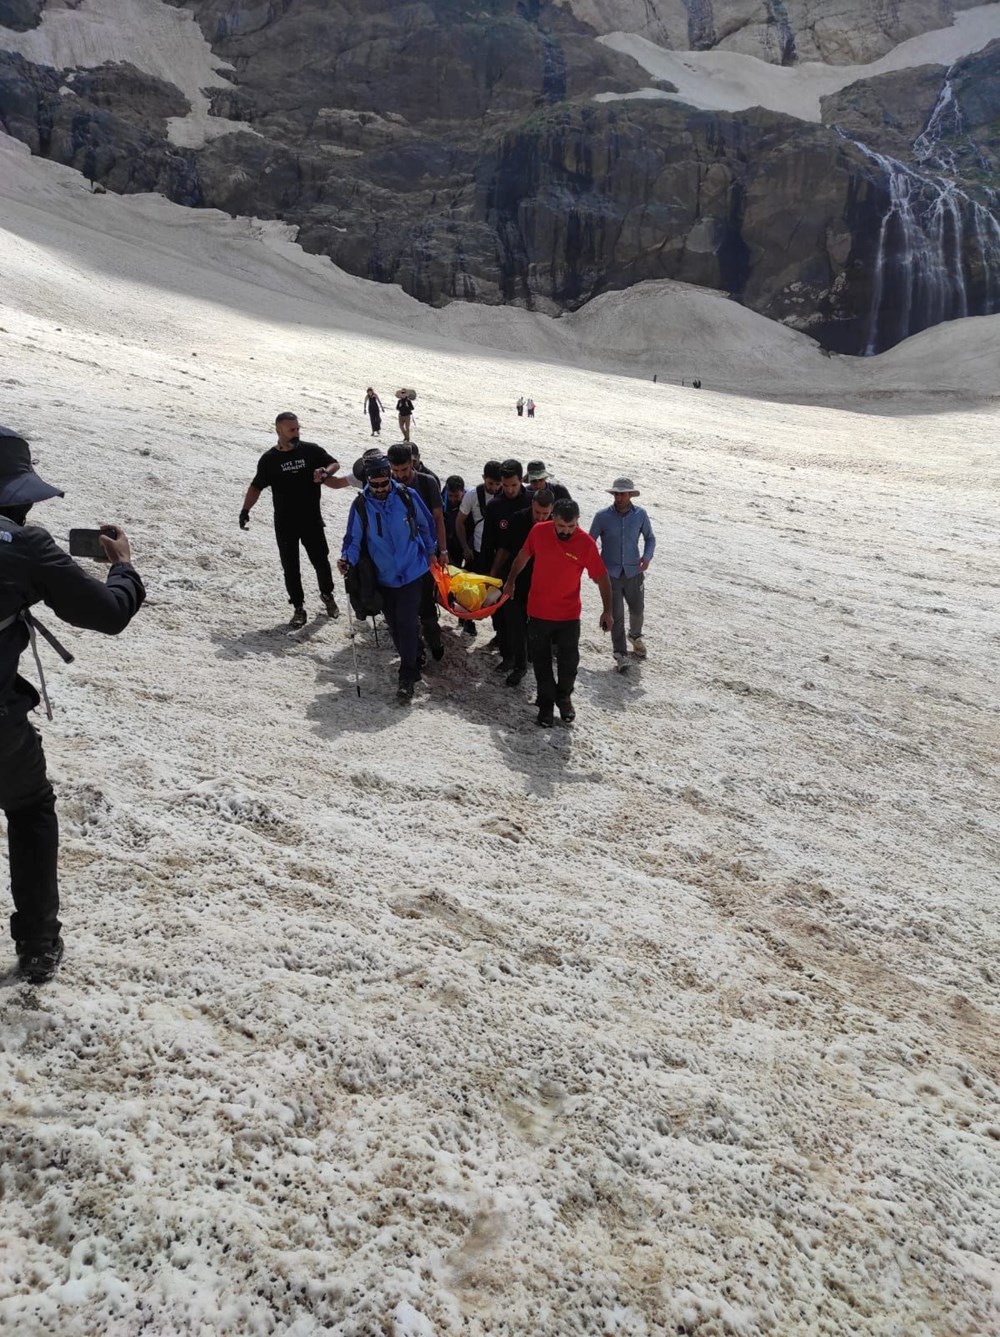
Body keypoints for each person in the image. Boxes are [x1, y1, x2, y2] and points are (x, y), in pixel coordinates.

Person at [0, 426, 145, 983]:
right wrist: (123, 565)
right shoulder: (25, 548)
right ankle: (38, 945)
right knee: (29, 806)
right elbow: (108, 613)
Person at [503, 499, 612, 728]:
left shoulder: (586, 543)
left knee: (569, 663)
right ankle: (545, 705)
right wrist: (510, 582)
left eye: (571, 527)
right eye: (561, 526)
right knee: (541, 663)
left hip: (568, 615)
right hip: (539, 611)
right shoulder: (539, 532)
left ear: (577, 522)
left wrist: (607, 610)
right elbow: (523, 556)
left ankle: (564, 697)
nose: (566, 531)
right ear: (553, 519)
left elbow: (602, 578)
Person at [338, 456, 438, 701]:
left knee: (405, 621)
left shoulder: (407, 497)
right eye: (376, 485)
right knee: (394, 626)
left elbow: (426, 525)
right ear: (368, 482)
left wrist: (432, 552)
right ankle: (413, 656)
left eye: (385, 483)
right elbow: (352, 537)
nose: (381, 489)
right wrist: (346, 560)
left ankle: (406, 677)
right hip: (383, 576)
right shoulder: (361, 505)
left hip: (412, 571)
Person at [239, 412, 350, 628]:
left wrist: (325, 472)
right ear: (278, 430)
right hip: (285, 523)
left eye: (298, 429)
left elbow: (334, 463)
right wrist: (245, 510)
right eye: (292, 430)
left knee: (321, 561)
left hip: (312, 520)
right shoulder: (269, 460)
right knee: (291, 567)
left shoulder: (310, 450)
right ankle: (298, 608)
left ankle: (327, 595)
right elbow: (256, 486)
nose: (296, 433)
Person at [589, 476, 656, 672]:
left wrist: (647, 556)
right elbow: (589, 542)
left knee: (637, 610)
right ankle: (620, 654)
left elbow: (650, 538)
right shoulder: (602, 516)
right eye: (616, 494)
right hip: (610, 575)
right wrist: (595, 567)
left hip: (634, 572)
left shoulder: (641, 515)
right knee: (616, 615)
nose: (619, 497)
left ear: (630, 495)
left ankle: (635, 636)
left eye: (623, 494)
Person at [387, 442, 446, 660]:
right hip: (400, 555)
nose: (400, 475)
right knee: (405, 607)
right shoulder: (387, 484)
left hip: (426, 553)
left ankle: (434, 638)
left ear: (412, 463)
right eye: (396, 471)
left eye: (404, 470)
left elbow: (438, 519)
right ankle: (417, 651)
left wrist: (443, 550)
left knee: (426, 601)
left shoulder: (428, 482)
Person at [491, 489, 553, 686]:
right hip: (515, 581)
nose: (541, 518)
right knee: (512, 623)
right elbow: (505, 549)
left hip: (542, 585)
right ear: (532, 505)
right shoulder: (518, 520)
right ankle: (516, 663)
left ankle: (528, 658)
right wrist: (493, 574)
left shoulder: (556, 526)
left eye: (545, 514)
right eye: (537, 513)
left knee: (534, 628)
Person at [480, 460, 529, 658]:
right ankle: (502, 641)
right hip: (500, 567)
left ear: (521, 480)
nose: (509, 490)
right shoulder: (495, 505)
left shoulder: (531, 502)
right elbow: (488, 540)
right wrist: (486, 571)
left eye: (514, 485)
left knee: (523, 613)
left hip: (528, 568)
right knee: (499, 611)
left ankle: (523, 651)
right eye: (505, 485)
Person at [442, 475, 467, 568]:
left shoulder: (468, 504)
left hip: (459, 543)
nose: (453, 499)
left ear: (463, 492)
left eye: (456, 496)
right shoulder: (442, 500)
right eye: (450, 496)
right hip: (446, 540)